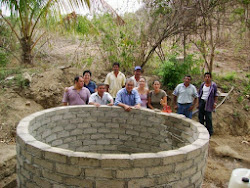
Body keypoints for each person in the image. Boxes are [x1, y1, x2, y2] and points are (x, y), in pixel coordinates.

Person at [198, 72, 218, 136]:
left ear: (210, 78)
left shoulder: (213, 85)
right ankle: (201, 131)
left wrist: (214, 103)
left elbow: (216, 95)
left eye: (208, 77)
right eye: (206, 77)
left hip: (209, 103)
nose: (207, 78)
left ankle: (209, 132)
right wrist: (198, 103)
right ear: (204, 78)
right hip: (202, 101)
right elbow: (199, 94)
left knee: (208, 118)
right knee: (200, 116)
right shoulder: (202, 85)